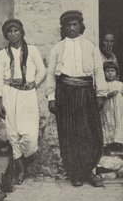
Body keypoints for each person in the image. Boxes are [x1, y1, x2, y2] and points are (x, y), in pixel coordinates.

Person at [46, 10, 107, 187]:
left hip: (86, 92)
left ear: (81, 26)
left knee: (89, 132)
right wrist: (51, 96)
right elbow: (50, 74)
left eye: (75, 24)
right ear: (63, 28)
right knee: (69, 132)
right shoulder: (57, 48)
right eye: (68, 25)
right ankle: (75, 173)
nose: (72, 28)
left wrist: (101, 94)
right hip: (65, 93)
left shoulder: (91, 47)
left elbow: (98, 72)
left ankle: (89, 170)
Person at [0, 19, 46, 184]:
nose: (13, 34)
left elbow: (42, 71)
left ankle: (24, 159)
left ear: (22, 32)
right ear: (6, 35)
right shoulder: (2, 54)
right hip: (10, 93)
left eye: (16, 30)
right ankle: (21, 170)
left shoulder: (32, 50)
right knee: (12, 134)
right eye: (9, 31)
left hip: (28, 95)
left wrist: (34, 83)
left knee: (30, 136)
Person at [100, 62, 123, 148]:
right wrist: (108, 95)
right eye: (107, 71)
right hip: (107, 107)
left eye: (112, 71)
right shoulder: (102, 85)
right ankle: (108, 141)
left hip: (118, 108)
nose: (110, 73)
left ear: (116, 72)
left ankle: (118, 141)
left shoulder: (120, 84)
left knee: (118, 121)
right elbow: (100, 94)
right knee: (107, 121)